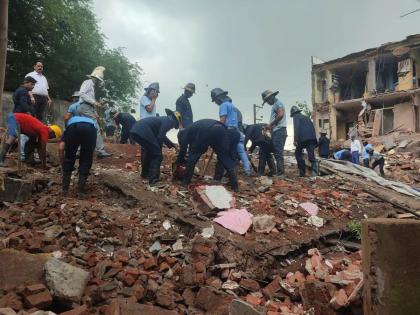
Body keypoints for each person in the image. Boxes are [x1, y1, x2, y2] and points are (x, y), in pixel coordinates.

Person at [176, 119, 240, 191]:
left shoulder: (184, 133)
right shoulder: (193, 128)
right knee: (224, 157)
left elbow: (183, 149)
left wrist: (180, 160)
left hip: (207, 130)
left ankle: (186, 181)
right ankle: (235, 186)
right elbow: (196, 145)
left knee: (193, 156)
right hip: (221, 129)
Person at [129, 109, 181, 184]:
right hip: (144, 132)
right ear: (175, 121)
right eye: (174, 126)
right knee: (157, 156)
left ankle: (145, 174)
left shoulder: (163, 119)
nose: (172, 127)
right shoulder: (169, 121)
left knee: (147, 151)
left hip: (136, 130)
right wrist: (159, 150)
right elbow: (160, 137)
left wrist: (172, 145)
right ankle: (153, 180)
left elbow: (163, 136)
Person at [211, 88, 252, 176]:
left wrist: (216, 129)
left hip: (228, 131)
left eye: (215, 100)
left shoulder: (223, 105)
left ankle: (219, 177)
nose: (215, 103)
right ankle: (247, 171)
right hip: (236, 132)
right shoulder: (232, 106)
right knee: (239, 153)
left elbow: (223, 119)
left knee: (223, 153)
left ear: (218, 98)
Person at [78, 66, 112, 158]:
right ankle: (100, 150)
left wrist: (95, 105)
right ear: (96, 77)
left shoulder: (91, 85)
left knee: (84, 128)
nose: (98, 81)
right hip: (85, 107)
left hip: (86, 107)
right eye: (98, 79)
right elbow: (82, 93)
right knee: (96, 128)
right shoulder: (88, 82)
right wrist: (94, 102)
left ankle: (78, 151)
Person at [62, 111, 97, 196]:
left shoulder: (70, 124)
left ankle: (65, 190)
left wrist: (63, 163)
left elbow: (61, 148)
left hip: (74, 128)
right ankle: (81, 190)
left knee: (69, 156)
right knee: (86, 158)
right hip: (91, 129)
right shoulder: (90, 120)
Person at [261, 90, 287, 176]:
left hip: (279, 131)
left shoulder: (278, 104)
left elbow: (280, 115)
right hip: (278, 131)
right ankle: (280, 172)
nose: (267, 103)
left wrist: (270, 125)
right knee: (277, 152)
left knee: (278, 152)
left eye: (267, 101)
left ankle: (281, 173)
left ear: (271, 98)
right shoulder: (276, 105)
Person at [290, 106, 318, 176]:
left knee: (297, 153)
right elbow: (312, 127)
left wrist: (295, 140)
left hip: (303, 139)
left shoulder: (296, 116)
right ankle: (315, 174)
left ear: (293, 114)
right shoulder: (306, 117)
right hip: (311, 138)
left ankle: (302, 172)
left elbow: (296, 128)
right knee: (311, 156)